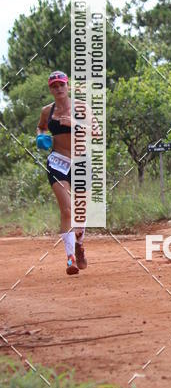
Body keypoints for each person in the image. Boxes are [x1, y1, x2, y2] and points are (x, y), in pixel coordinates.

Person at [36, 70, 87, 276]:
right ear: (50, 89)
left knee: (81, 210)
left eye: (61, 85)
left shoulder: (80, 107)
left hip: (81, 161)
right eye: (54, 86)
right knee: (67, 210)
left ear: (67, 86)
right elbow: (40, 127)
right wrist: (41, 136)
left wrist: (74, 124)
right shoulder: (46, 111)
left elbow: (96, 131)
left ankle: (79, 244)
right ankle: (70, 258)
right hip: (58, 161)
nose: (58, 89)